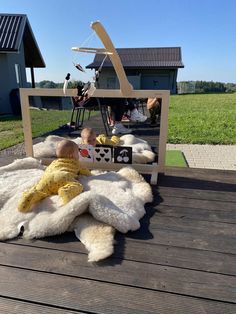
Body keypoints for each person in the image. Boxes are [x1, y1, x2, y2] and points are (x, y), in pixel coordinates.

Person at [17, 139, 91, 213]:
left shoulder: (54, 162)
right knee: (77, 186)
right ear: (71, 155)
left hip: (47, 179)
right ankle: (67, 192)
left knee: (40, 190)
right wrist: (91, 174)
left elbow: (47, 171)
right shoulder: (76, 163)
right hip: (63, 176)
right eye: (77, 153)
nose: (78, 155)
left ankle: (32, 195)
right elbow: (86, 173)